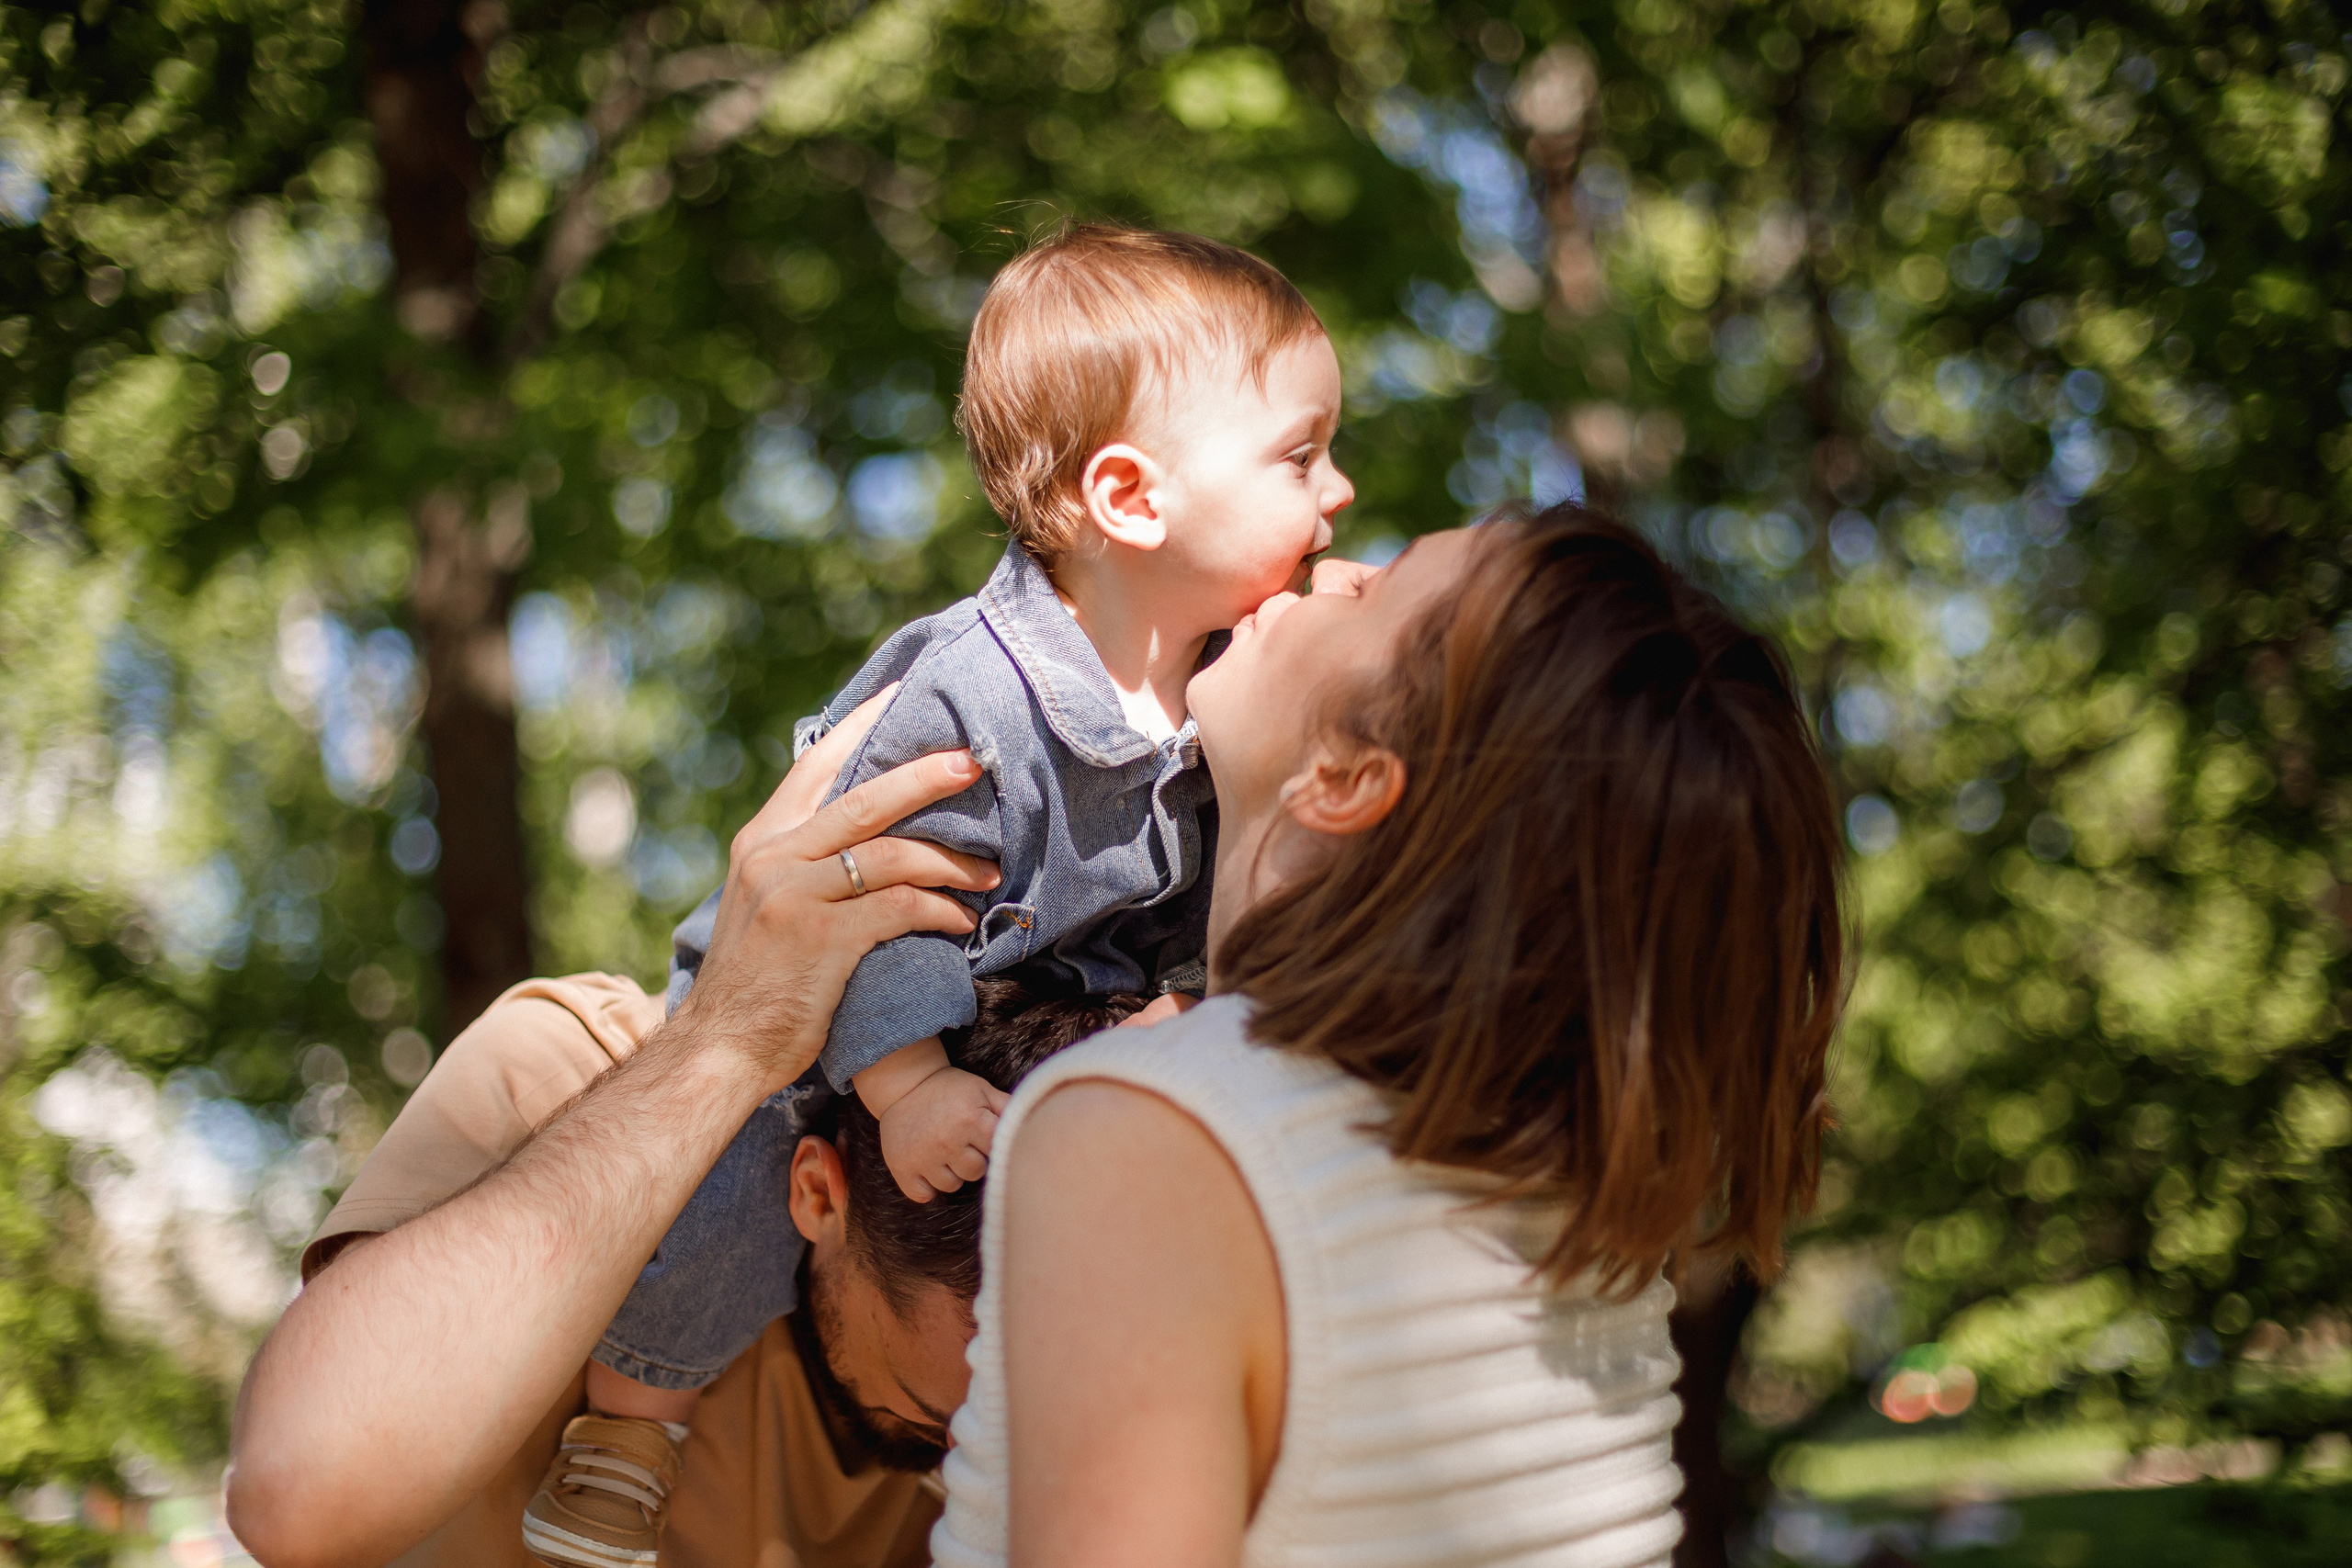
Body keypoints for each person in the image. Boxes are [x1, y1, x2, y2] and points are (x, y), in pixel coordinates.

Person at [559, 221, 1357, 1561]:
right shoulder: (978, 692)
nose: (1335, 491)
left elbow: (1174, 901)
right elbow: (865, 896)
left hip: (1025, 999)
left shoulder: (1221, 685)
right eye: (1299, 453)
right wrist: (903, 1083)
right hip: (820, 1005)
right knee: (737, 1183)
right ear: (1131, 497)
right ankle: (634, 1416)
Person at [933, 505, 1848, 1567]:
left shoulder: (1150, 1134)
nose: (1331, 570)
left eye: (1378, 589)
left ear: (1348, 778)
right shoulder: (1563, 1177)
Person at [226, 700, 999, 1567]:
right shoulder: (574, 1067)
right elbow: (295, 1497)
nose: (971, 1458)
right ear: (820, 1189)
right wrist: (726, 1040)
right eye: (929, 1414)